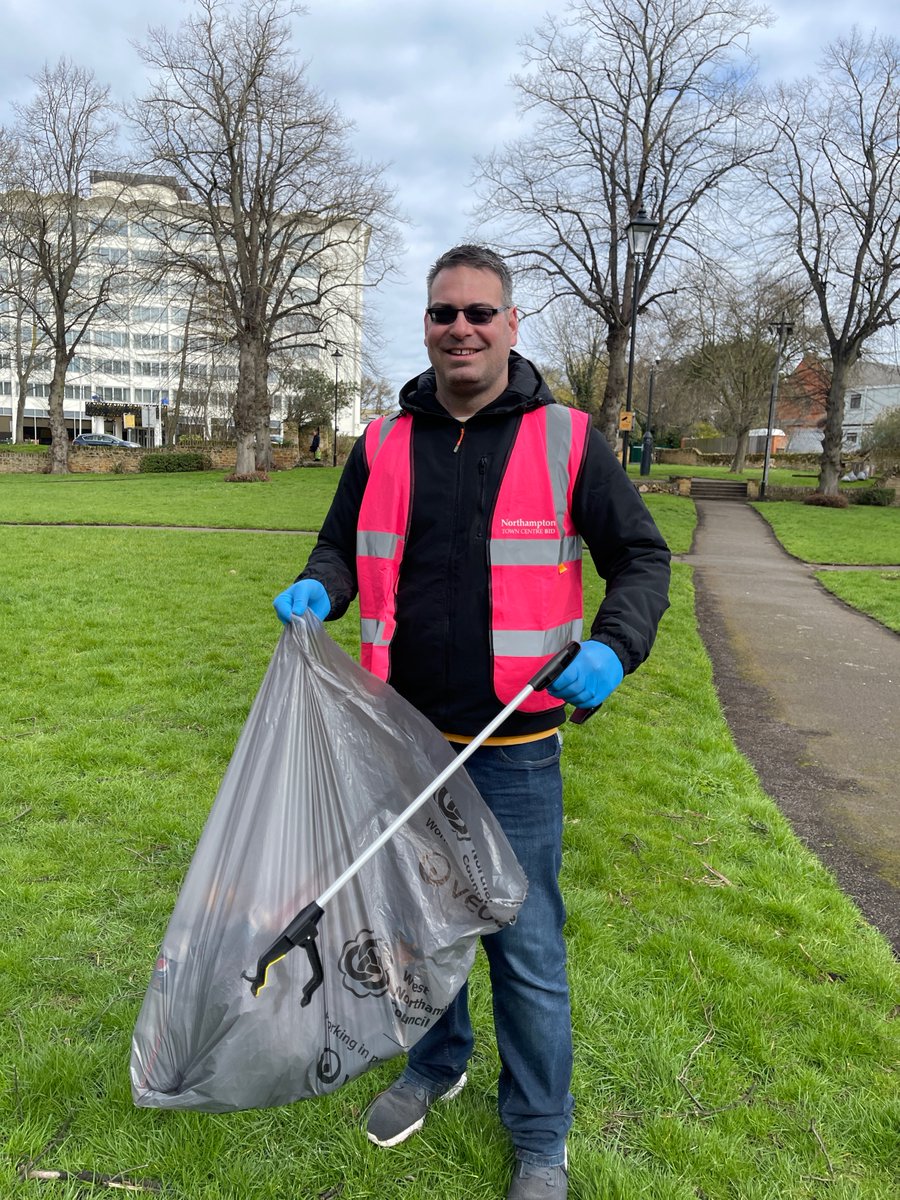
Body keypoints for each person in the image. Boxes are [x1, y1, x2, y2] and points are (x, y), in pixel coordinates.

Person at [274, 245, 670, 1199]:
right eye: (445, 313)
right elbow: (339, 546)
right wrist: (319, 590)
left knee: (525, 951)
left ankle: (541, 1134)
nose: (462, 328)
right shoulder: (381, 443)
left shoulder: (568, 439)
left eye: (480, 313)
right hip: (398, 736)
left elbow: (643, 560)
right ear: (425, 325)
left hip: (517, 749)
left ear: (511, 326)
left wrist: (615, 647)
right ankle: (438, 1063)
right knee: (414, 928)